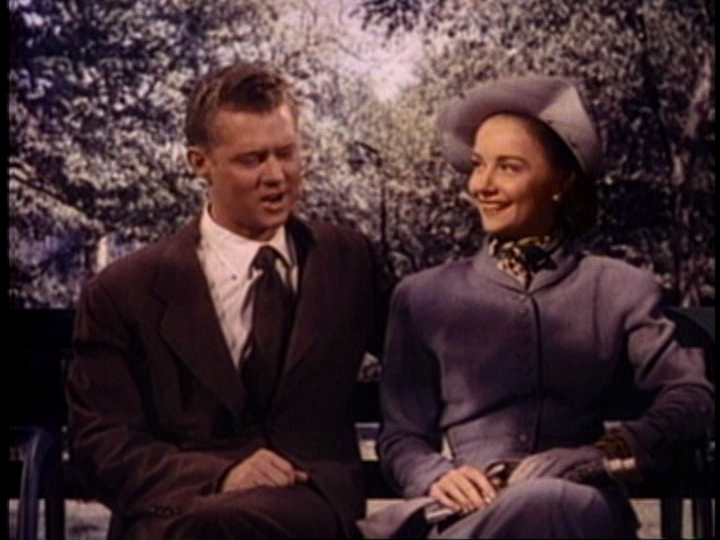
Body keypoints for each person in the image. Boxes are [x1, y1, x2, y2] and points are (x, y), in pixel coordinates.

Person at [358, 75, 714, 539]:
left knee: (551, 502)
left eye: (508, 167)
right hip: (469, 516)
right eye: (477, 165)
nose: (481, 185)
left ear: (560, 182)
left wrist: (598, 455)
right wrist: (436, 476)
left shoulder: (620, 288)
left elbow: (691, 397)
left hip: (581, 510)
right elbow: (401, 436)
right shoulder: (422, 296)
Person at [66, 61, 387, 540]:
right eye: (252, 160)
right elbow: (101, 443)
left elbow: (434, 361)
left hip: (308, 499)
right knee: (202, 525)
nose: (276, 176)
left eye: (287, 153)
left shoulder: (348, 261)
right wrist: (221, 476)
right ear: (200, 163)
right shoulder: (124, 291)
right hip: (179, 508)